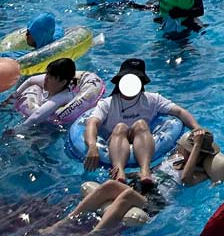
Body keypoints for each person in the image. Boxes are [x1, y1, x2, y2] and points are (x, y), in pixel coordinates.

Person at [43, 124, 224, 234]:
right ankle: (62, 223)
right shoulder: (176, 158)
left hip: (154, 202)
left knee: (127, 196)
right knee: (109, 185)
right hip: (141, 187)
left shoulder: (199, 175)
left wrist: (197, 146)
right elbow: (153, 171)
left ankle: (94, 234)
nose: (179, 149)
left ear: (194, 153)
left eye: (185, 148)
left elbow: (186, 180)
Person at [81, 58, 200, 189]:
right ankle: (118, 170)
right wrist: (92, 146)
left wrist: (197, 128)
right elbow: (92, 123)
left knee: (141, 124)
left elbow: (179, 112)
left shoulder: (152, 99)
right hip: (115, 140)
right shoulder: (108, 103)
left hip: (141, 140)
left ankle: (145, 170)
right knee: (121, 127)